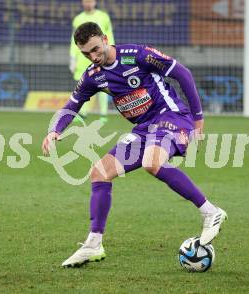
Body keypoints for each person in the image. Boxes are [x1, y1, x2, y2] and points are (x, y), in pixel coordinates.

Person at [42, 22, 227, 268]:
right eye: (86, 53)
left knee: (152, 163)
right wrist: (54, 130)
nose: (93, 57)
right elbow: (72, 105)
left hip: (171, 116)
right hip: (144, 129)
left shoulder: (138, 55)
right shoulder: (93, 76)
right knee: (100, 172)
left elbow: (183, 74)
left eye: (96, 49)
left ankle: (210, 212)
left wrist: (198, 118)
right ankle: (93, 244)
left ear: (105, 39)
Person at [69, 0, 114, 123]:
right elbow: (74, 42)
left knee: (103, 83)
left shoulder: (103, 17)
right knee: (83, 86)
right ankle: (83, 113)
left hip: (100, 56)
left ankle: (103, 114)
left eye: (90, 1)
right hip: (83, 58)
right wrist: (72, 58)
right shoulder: (78, 19)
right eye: (85, 1)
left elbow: (109, 35)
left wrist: (110, 51)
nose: (88, 3)